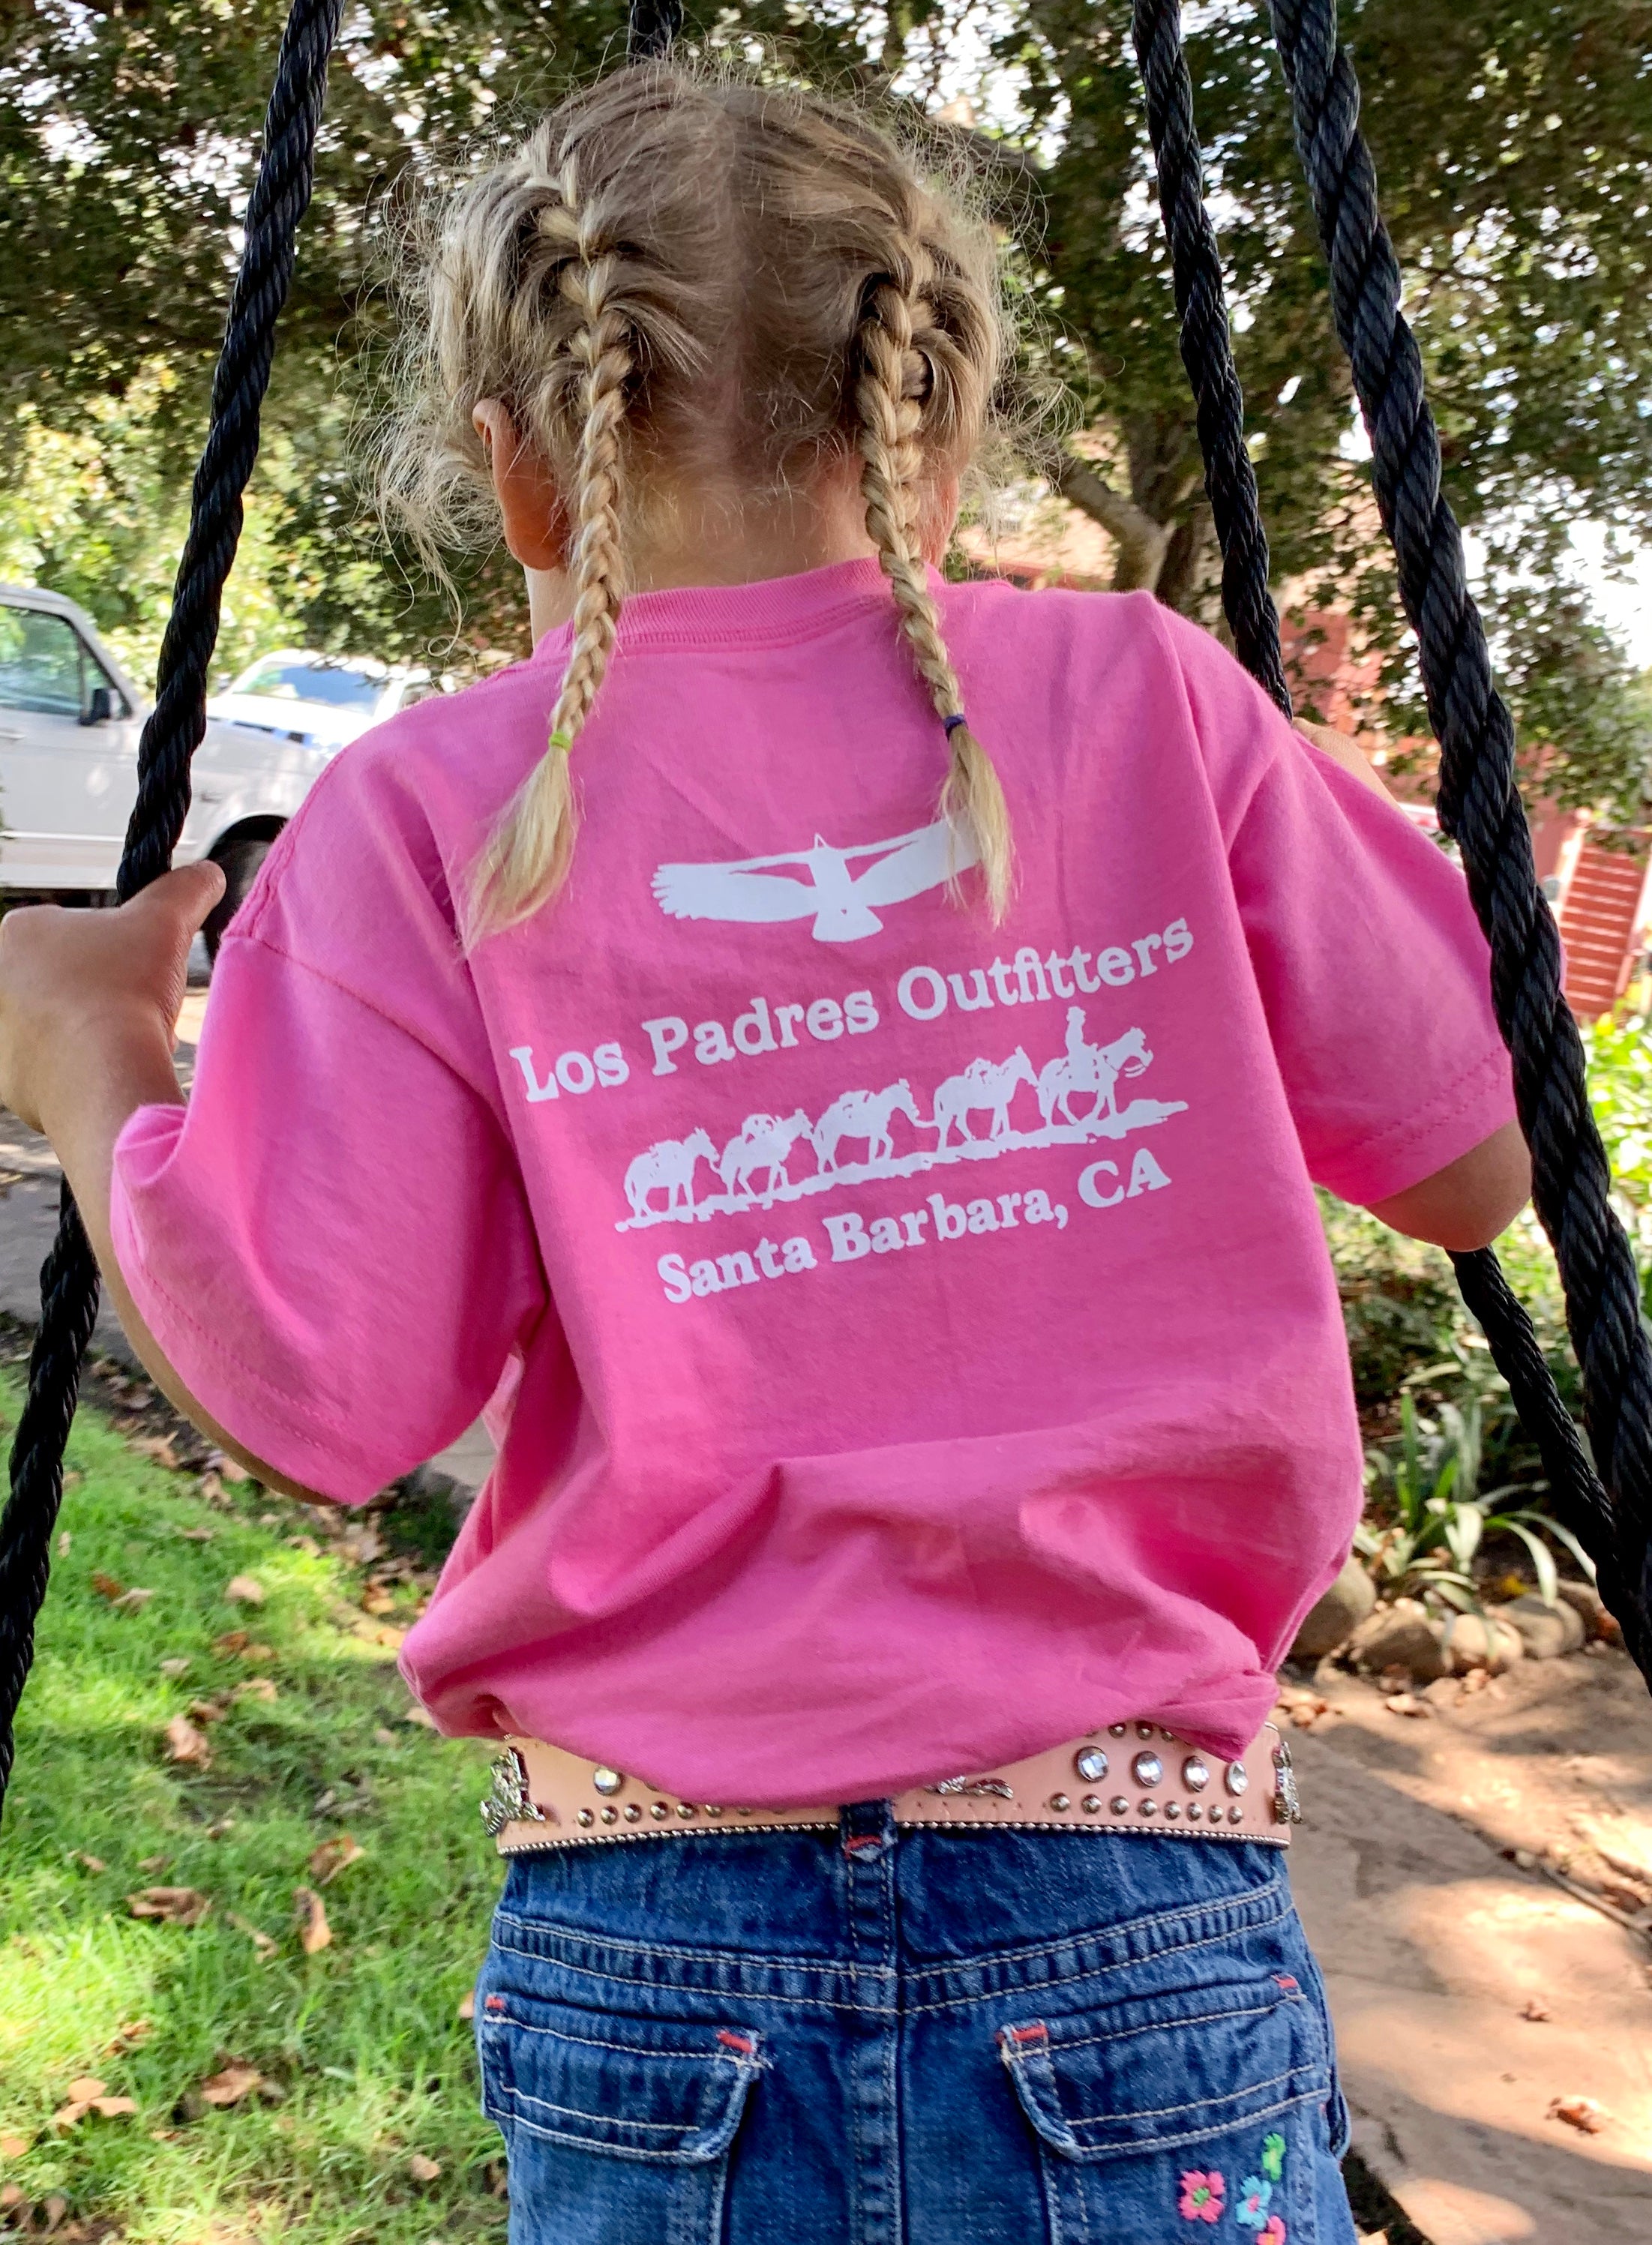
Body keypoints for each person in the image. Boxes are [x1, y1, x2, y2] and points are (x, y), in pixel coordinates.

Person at [0, 61, 1529, 2244]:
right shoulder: (1142, 702)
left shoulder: (437, 808)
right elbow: (1474, 1165)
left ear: (520, 476)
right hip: (1137, 1906)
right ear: (933, 415)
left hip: (657, 1918)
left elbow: (318, 1384)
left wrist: (86, 1061)